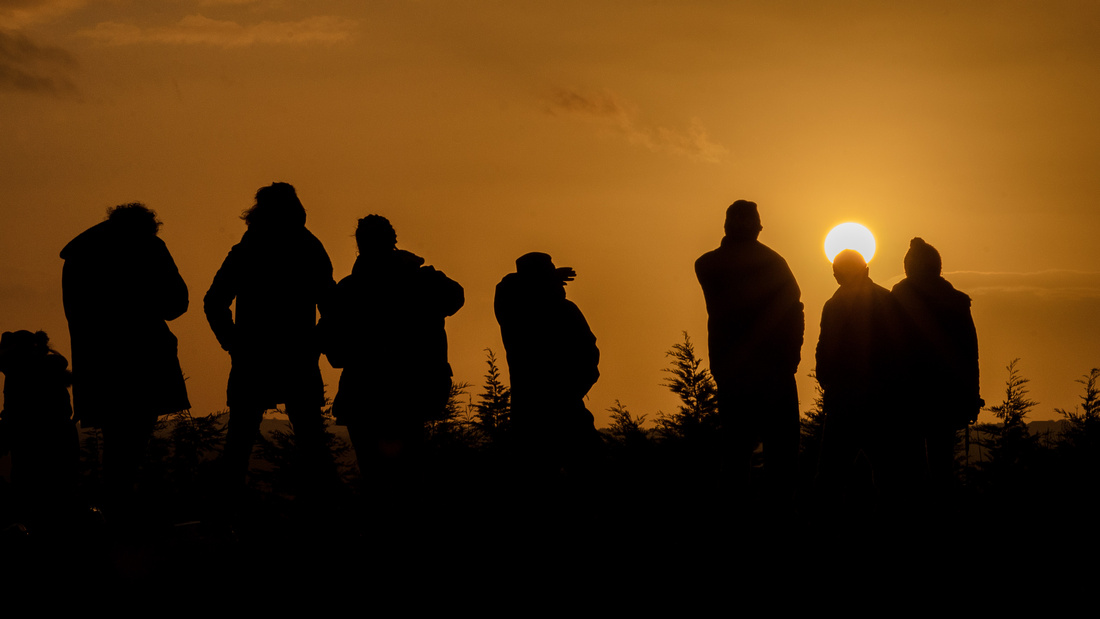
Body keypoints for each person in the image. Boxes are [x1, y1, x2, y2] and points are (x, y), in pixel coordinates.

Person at [204, 183, 336, 496]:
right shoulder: (308, 247)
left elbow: (214, 301)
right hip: (293, 358)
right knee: (312, 444)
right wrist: (316, 341)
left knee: (239, 445)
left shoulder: (249, 249)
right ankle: (329, 515)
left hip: (256, 357)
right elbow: (332, 305)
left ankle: (226, 515)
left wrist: (233, 341)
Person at [60, 203, 190, 515]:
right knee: (133, 441)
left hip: (98, 364)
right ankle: (122, 513)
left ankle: (112, 509)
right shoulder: (148, 246)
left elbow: (76, 314)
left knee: (116, 441)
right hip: (144, 360)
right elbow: (176, 302)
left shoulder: (81, 254)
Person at [319, 215, 464, 485]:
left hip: (363, 396)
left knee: (375, 479)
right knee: (407, 478)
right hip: (409, 395)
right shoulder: (417, 281)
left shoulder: (349, 289)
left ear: (360, 246)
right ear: (392, 242)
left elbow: (329, 341)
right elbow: (455, 297)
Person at [695, 200, 804, 497]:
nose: (757, 227)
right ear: (755, 227)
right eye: (755, 222)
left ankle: (736, 521)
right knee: (779, 456)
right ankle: (776, 519)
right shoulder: (773, 264)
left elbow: (793, 308)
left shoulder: (708, 264)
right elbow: (794, 309)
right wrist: (789, 360)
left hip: (735, 373)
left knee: (735, 455)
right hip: (770, 374)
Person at [494, 252, 601, 479]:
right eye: (549, 270)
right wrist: (573, 390)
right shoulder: (548, 310)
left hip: (534, 411)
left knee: (538, 476)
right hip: (560, 408)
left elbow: (589, 355)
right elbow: (589, 354)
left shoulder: (514, 310)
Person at [891, 238, 981, 492]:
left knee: (912, 469)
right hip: (946, 398)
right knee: (942, 467)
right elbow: (969, 353)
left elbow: (887, 347)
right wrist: (971, 395)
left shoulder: (899, 296)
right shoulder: (956, 302)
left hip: (909, 397)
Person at [815, 249, 907, 498]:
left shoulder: (834, 305)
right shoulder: (886, 300)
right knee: (890, 477)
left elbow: (824, 352)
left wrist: (829, 385)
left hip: (845, 402)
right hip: (881, 403)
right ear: (865, 270)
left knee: (830, 477)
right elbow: (900, 351)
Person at [0, 330, 78, 532]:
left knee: (37, 500)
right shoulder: (44, 370)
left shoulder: (21, 374)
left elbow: (16, 414)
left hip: (35, 445)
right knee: (59, 499)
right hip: (59, 441)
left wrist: (6, 435)